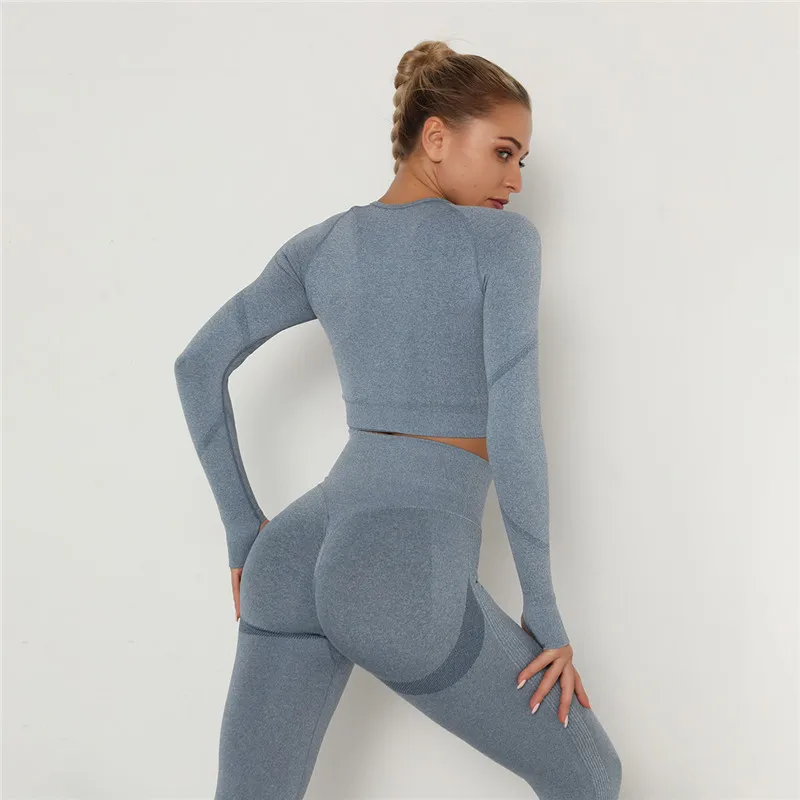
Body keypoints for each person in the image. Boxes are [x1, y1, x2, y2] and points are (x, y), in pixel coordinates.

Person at [174, 38, 622, 800]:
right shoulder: (502, 245)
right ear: (436, 137)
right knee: (589, 774)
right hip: (399, 562)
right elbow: (514, 430)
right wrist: (543, 611)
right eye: (504, 152)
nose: (516, 179)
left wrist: (246, 535)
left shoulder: (321, 247)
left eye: (523, 161)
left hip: (292, 553)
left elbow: (197, 365)